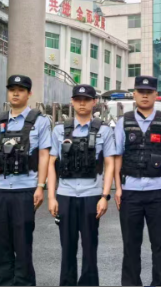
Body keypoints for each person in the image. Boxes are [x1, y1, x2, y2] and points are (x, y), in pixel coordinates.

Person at [0, 75, 52, 286]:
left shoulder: (40, 122)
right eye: (12, 89)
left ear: (29, 94)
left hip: (25, 190)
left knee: (22, 246)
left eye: (20, 90)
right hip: (0, 191)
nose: (15, 93)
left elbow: (44, 156)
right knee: (0, 246)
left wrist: (40, 186)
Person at [48, 84, 116, 286]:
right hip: (66, 195)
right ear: (72, 102)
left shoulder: (104, 131)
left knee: (90, 248)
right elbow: (52, 163)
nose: (82, 103)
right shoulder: (59, 130)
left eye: (86, 99)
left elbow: (110, 164)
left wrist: (104, 196)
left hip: (91, 196)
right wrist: (51, 197)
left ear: (94, 102)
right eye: (78, 99)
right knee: (67, 248)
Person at [114, 75, 161, 286]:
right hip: (130, 190)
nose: (144, 96)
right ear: (134, 94)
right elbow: (117, 156)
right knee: (130, 244)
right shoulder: (124, 122)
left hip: (158, 191)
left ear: (155, 95)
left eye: (149, 92)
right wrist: (118, 187)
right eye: (141, 92)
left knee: (160, 244)